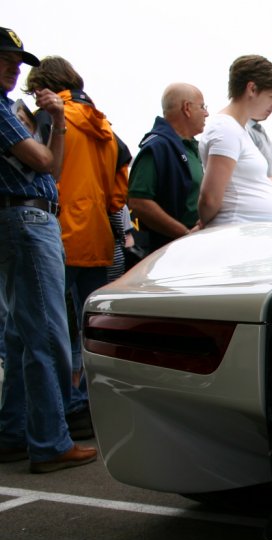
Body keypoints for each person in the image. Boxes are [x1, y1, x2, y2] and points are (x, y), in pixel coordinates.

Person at [0, 27, 96, 472]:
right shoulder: (2, 109)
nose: (14, 66)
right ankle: (51, 440)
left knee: (23, 336)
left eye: (17, 59)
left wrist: (56, 121)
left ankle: (16, 434)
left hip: (27, 216)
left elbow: (52, 165)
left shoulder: (10, 108)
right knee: (47, 337)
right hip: (25, 217)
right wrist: (48, 123)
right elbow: (42, 161)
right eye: (5, 57)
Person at [24, 56, 128, 433]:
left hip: (57, 229)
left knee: (53, 327)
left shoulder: (53, 117)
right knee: (95, 326)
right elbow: (120, 189)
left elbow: (39, 167)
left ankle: (64, 409)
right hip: (98, 233)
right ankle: (93, 401)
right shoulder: (104, 125)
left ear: (43, 86)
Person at [198, 55, 272, 227]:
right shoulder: (225, 129)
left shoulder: (238, 130)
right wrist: (204, 224)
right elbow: (209, 199)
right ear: (252, 89)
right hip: (239, 233)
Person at [128, 82, 207, 253]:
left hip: (198, 245)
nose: (207, 113)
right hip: (172, 251)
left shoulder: (194, 148)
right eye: (202, 107)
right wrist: (184, 233)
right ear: (187, 108)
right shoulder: (157, 148)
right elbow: (139, 201)